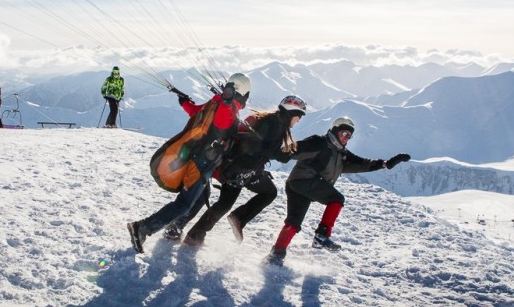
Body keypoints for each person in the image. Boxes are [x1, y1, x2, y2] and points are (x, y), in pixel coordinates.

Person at [127, 73, 251, 254]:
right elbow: (222, 122)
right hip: (202, 163)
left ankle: (173, 228)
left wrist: (185, 102)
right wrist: (226, 102)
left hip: (202, 161)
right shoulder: (226, 108)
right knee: (184, 204)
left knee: (201, 197)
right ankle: (143, 228)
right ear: (243, 93)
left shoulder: (215, 103)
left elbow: (196, 112)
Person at [265, 117, 410, 266]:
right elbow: (293, 149)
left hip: (297, 185)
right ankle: (321, 235)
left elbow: (362, 163)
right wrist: (270, 153)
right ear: (335, 131)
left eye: (349, 136)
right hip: (303, 182)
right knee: (336, 199)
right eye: (344, 133)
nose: (347, 138)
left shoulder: (342, 154)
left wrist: (386, 164)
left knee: (293, 223)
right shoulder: (319, 142)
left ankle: (276, 255)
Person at [177, 95, 307, 246]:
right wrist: (281, 155)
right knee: (266, 193)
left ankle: (196, 235)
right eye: (299, 117)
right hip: (240, 169)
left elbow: (259, 145)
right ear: (292, 113)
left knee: (226, 203)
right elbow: (257, 146)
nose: (298, 121)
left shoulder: (272, 121)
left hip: (240, 168)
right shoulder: (274, 124)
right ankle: (235, 219)